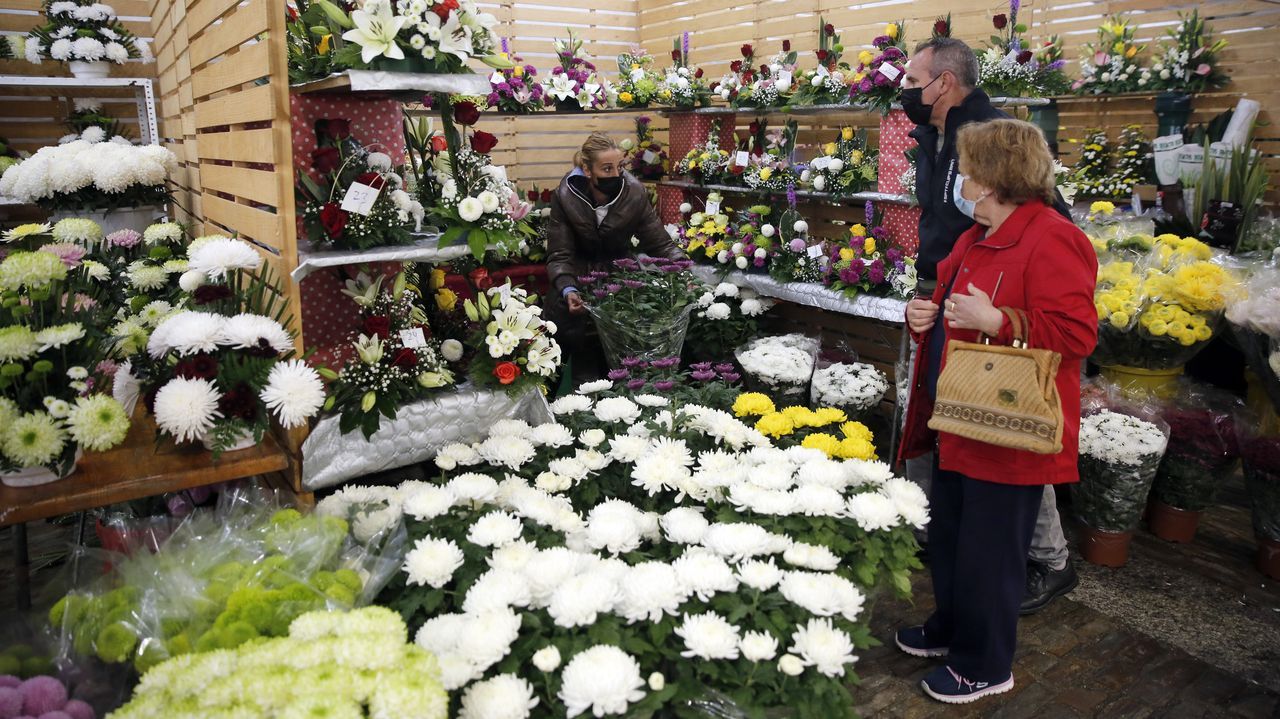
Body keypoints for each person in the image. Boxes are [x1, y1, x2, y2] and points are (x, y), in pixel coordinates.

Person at [893, 119, 1098, 703]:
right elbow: (950, 300)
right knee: (954, 534)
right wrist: (924, 314)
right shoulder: (975, 236)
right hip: (960, 417)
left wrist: (1001, 323)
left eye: (972, 174)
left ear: (994, 178)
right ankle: (953, 630)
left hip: (1008, 428)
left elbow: (1079, 334)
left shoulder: (1054, 238)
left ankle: (985, 663)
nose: (964, 183)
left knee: (991, 548)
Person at [899, 36, 1077, 614]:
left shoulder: (991, 139)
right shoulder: (934, 134)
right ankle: (939, 529)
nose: (903, 90)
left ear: (944, 82)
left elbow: (1047, 221)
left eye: (912, 80)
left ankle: (1048, 558)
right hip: (950, 288)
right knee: (940, 408)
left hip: (992, 304)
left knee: (1008, 423)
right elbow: (940, 220)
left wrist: (1002, 314)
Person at [545, 132, 686, 384]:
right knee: (577, 359)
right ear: (587, 170)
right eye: (606, 168)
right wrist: (567, 288)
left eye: (619, 167)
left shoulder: (634, 193)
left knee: (624, 360)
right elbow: (560, 252)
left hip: (620, 279)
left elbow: (659, 242)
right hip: (576, 279)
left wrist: (685, 268)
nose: (615, 175)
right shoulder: (565, 196)